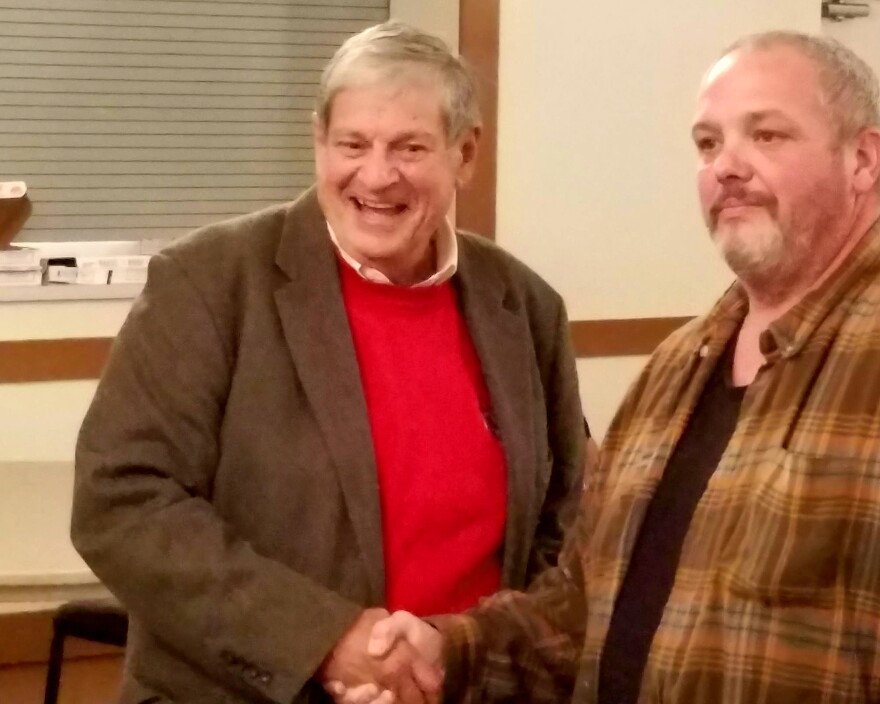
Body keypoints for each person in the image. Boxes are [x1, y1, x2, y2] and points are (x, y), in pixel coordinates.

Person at [343, 30, 880, 704]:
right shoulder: (675, 370)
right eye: (708, 144)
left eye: (767, 136)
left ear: (863, 159)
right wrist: (445, 652)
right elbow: (580, 608)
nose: (727, 167)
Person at [70, 20, 590, 704]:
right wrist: (325, 642)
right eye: (352, 144)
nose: (376, 176)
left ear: (465, 154)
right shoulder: (208, 284)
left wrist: (462, 656)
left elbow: (571, 521)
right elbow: (123, 502)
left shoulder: (525, 307)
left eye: (410, 147)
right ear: (318, 143)